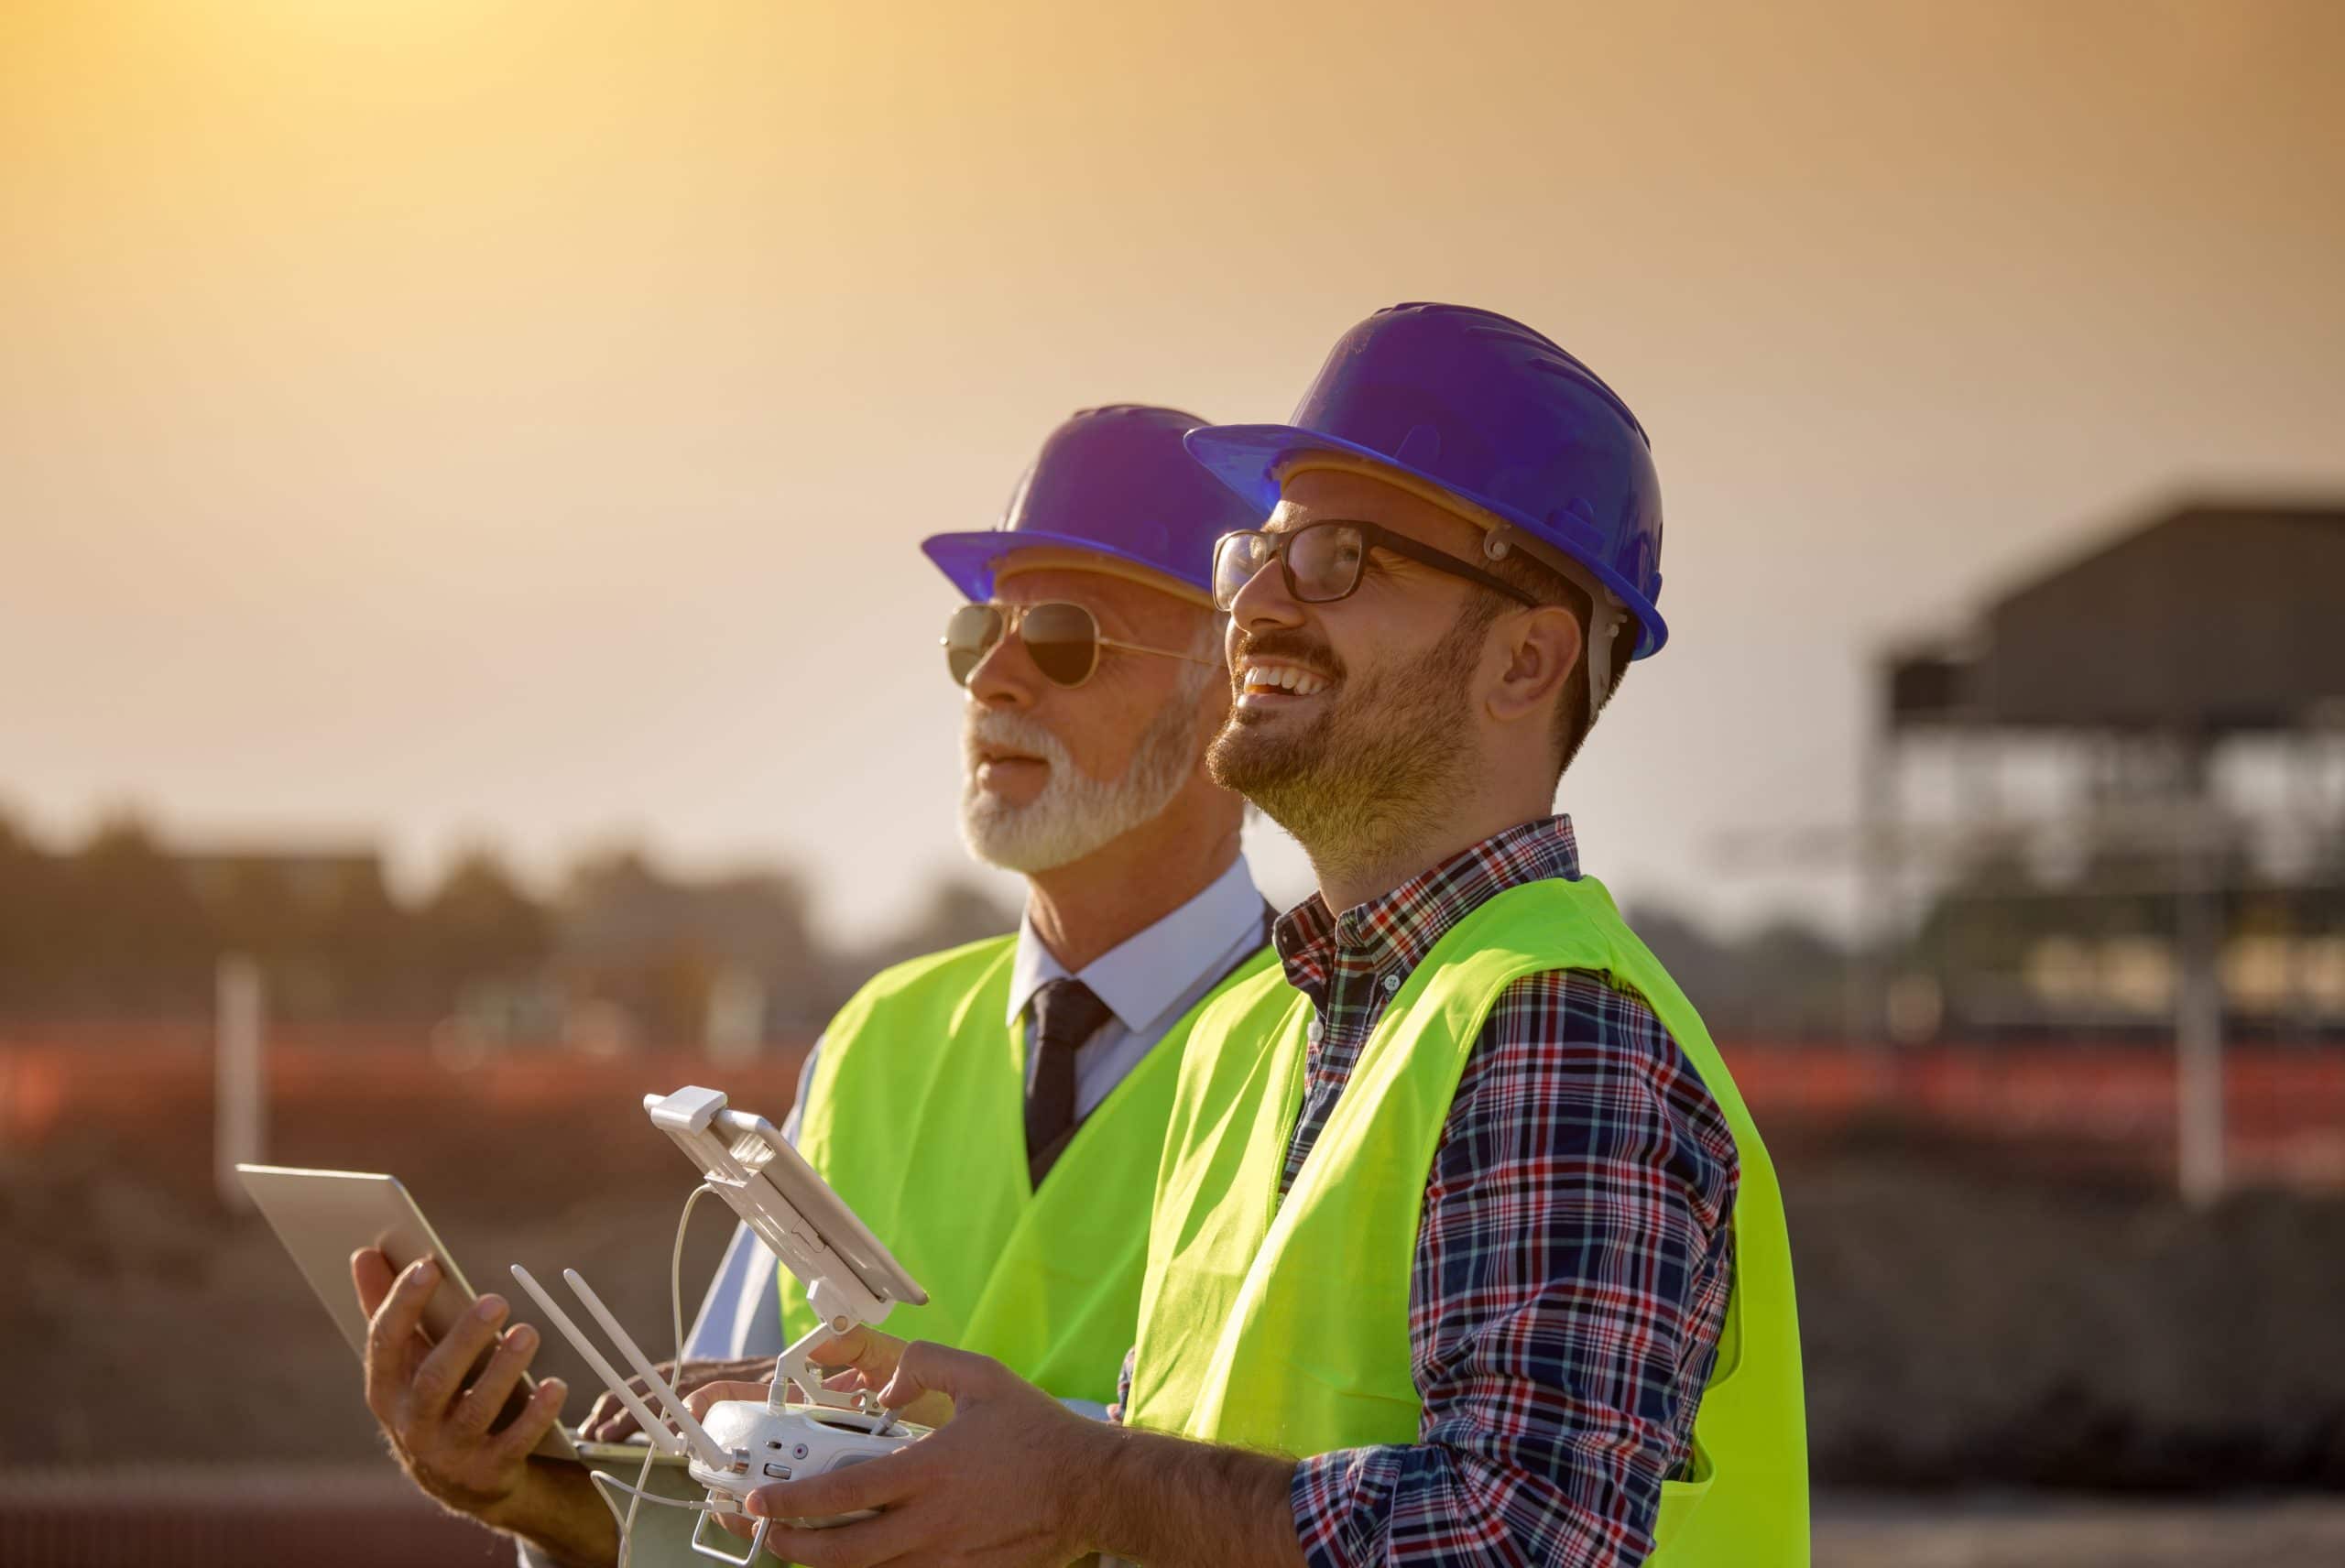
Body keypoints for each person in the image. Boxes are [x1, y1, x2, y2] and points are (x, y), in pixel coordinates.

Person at [710, 305, 1808, 1568]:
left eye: (1340, 557)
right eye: (1262, 552)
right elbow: (1171, 1485)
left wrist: (1080, 1482)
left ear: (1524, 660)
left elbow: (1525, 1542)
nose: (1260, 606)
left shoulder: (1556, 1021)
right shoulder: (1249, 1037)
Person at [350, 402, 1280, 1568]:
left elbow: (1350, 1504)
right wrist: (533, 1503)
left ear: (1231, 688)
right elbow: (717, 1527)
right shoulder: (876, 1038)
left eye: (1060, 636)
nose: (990, 675)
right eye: (973, 633)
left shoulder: (1336, 1048)